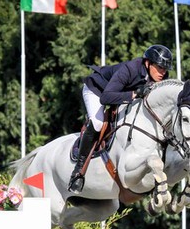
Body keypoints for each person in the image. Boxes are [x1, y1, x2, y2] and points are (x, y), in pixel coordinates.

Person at [68, 44, 173, 193]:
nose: (163, 72)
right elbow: (106, 97)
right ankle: (78, 171)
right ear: (148, 63)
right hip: (97, 91)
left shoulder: (160, 77)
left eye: (165, 69)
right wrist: (134, 94)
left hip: (119, 96)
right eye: (159, 67)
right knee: (98, 124)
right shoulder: (130, 69)